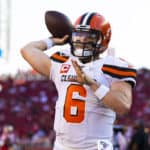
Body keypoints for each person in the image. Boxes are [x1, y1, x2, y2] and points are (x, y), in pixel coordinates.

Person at [20, 12, 137, 150]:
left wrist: (92, 84)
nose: (81, 40)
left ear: (103, 40)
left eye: (89, 36)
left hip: (96, 147)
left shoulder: (113, 65)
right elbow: (27, 50)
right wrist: (52, 40)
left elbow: (123, 106)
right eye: (78, 35)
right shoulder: (63, 60)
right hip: (62, 146)